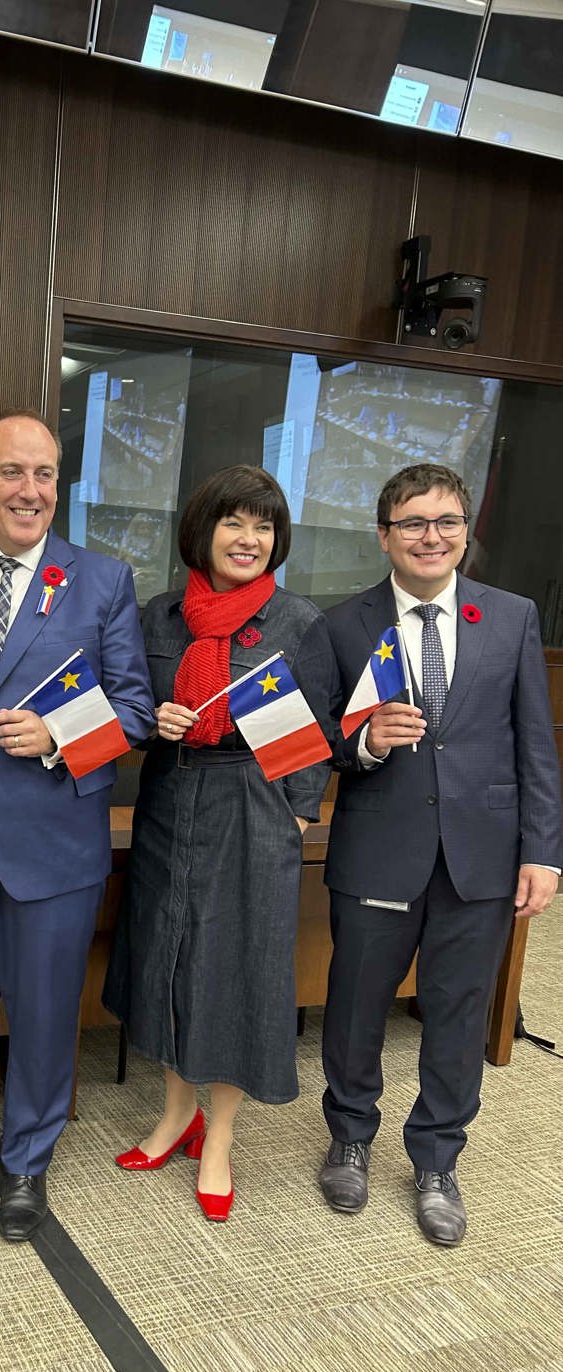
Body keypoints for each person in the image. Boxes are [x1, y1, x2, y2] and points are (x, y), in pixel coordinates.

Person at [0, 409, 153, 1242]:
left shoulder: (100, 580)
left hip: (50, 844)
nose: (30, 490)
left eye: (44, 474)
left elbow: (134, 711)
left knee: (43, 1013)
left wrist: (57, 735)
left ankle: (26, 1159)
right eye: (12, 471)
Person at [319, 462, 561, 1245]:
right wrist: (363, 741)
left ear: (464, 531)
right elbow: (316, 740)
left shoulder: (511, 617)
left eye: (447, 521)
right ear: (383, 535)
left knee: (457, 1013)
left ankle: (435, 1160)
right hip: (377, 848)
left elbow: (534, 742)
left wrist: (543, 852)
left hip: (480, 856)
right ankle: (349, 1137)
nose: (431, 536)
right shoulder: (343, 624)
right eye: (413, 523)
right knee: (355, 1006)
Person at [104, 466, 335, 1223]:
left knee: (236, 968)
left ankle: (221, 1138)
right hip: (170, 800)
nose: (248, 539)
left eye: (263, 527)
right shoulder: (160, 616)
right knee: (168, 959)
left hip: (253, 803)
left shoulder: (297, 622)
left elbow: (318, 731)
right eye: (233, 522)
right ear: (201, 531)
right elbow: (128, 706)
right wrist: (154, 722)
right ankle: (177, 1115)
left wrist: (294, 818)